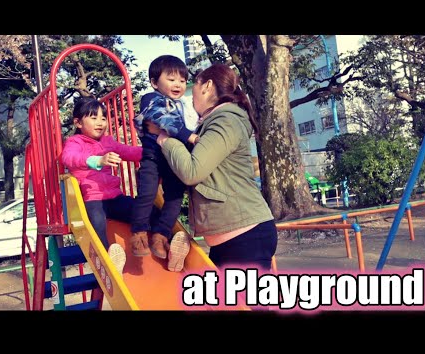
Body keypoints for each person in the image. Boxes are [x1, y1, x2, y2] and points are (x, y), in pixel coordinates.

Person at [147, 63, 278, 271]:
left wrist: (164, 139)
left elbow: (192, 172)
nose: (191, 97)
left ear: (207, 86)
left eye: (194, 88)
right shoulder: (210, 123)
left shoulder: (225, 120)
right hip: (231, 239)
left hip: (245, 236)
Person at [129, 55, 197, 270]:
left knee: (175, 197)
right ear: (154, 82)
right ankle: (139, 233)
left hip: (172, 158)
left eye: (182, 80)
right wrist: (190, 136)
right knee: (148, 193)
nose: (178, 84)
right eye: (171, 79)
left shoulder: (184, 106)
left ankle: (160, 235)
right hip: (153, 156)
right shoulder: (150, 99)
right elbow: (163, 119)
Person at [61, 97, 143, 276]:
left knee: (142, 210)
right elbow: (69, 158)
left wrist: (156, 151)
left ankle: (162, 239)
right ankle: (108, 260)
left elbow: (130, 152)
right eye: (93, 117)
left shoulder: (108, 142)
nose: (100, 122)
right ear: (78, 122)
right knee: (96, 223)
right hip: (93, 199)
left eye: (103, 118)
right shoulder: (75, 143)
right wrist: (97, 160)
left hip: (114, 197)